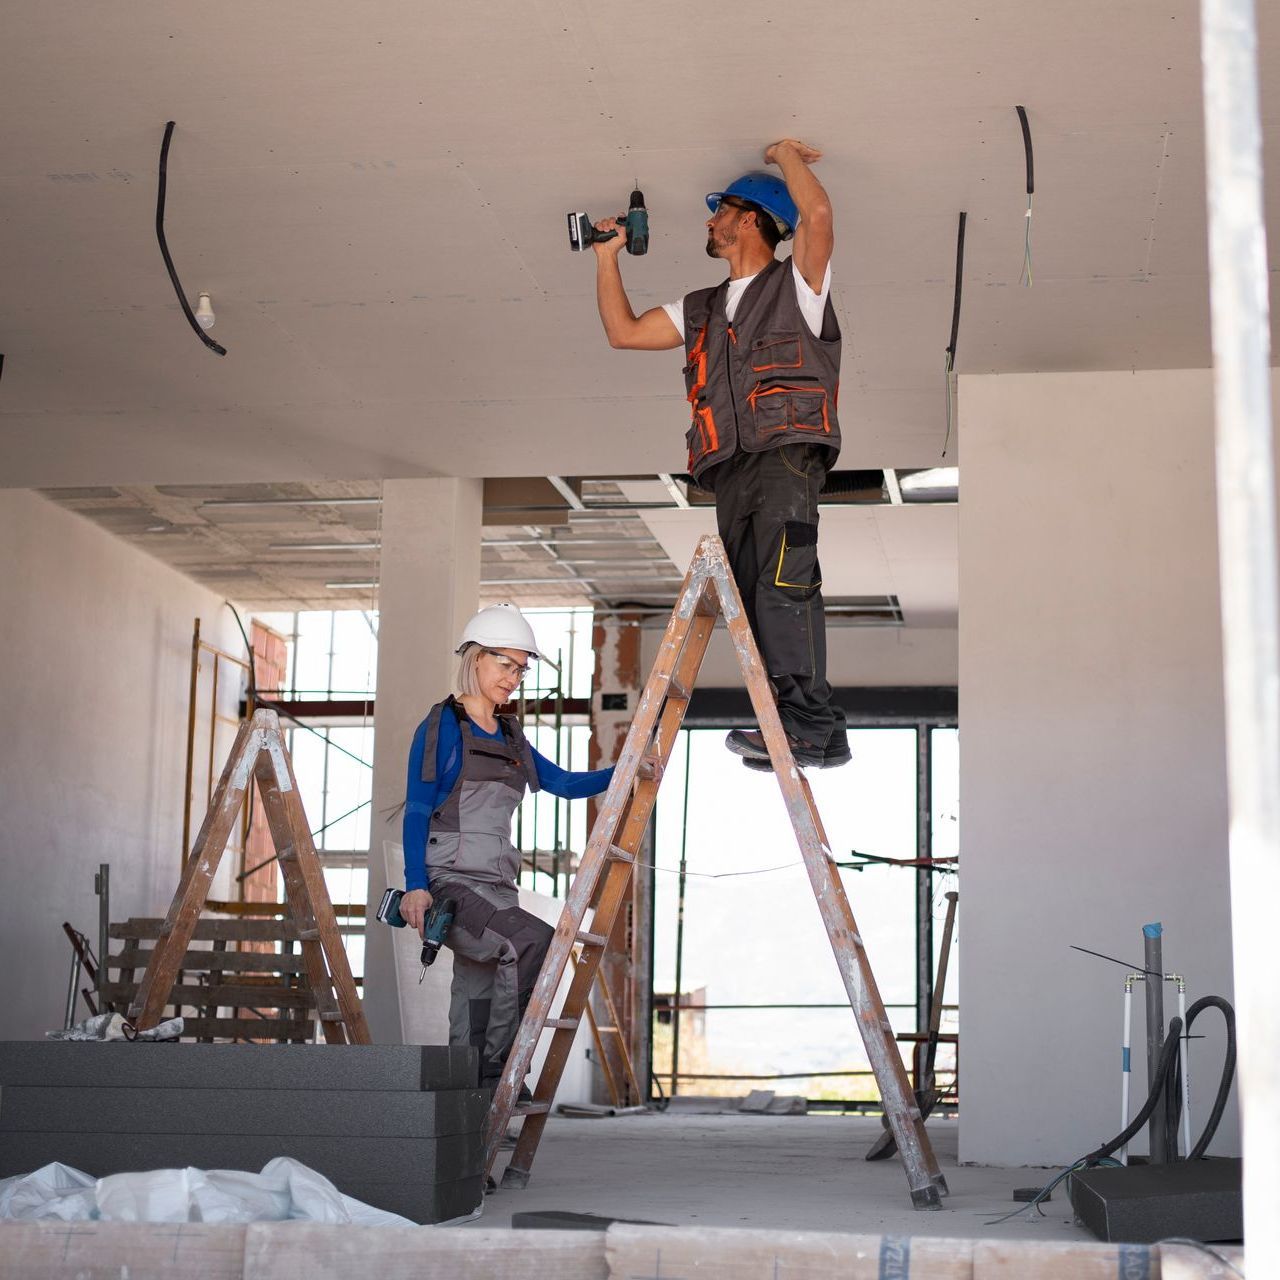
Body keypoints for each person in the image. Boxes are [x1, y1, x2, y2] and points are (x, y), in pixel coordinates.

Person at [591, 138, 849, 771]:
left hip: (786, 455)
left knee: (783, 587)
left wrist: (786, 156)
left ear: (752, 220)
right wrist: (606, 258)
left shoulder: (799, 285)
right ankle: (800, 725)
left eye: (721, 211)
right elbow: (624, 333)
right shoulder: (701, 308)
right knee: (751, 602)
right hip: (730, 469)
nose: (710, 221)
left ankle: (809, 723)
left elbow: (815, 219)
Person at [400, 603, 613, 1088]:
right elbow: (416, 808)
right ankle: (503, 1071)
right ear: (475, 658)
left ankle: (469, 1115)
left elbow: (562, 782)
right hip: (451, 882)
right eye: (505, 664)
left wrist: (625, 773)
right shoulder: (442, 728)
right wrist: (416, 885)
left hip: (498, 887)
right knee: (532, 941)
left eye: (521, 668)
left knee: (474, 1003)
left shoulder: (512, 736)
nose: (514, 677)